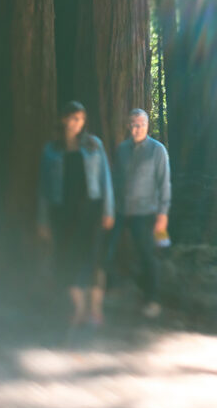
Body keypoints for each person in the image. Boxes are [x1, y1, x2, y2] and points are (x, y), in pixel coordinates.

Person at [38, 101, 115, 326]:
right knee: (67, 257)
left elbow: (105, 179)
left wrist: (108, 210)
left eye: (80, 119)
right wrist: (42, 220)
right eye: (72, 118)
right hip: (61, 212)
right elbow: (43, 188)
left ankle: (95, 310)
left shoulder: (93, 145)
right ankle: (78, 309)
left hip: (90, 211)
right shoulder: (51, 150)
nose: (76, 123)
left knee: (93, 257)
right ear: (63, 119)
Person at [112, 109, 171, 318]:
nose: (138, 129)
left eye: (142, 125)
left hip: (146, 212)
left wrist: (162, 216)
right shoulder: (121, 150)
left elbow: (164, 184)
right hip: (120, 210)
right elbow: (115, 180)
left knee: (148, 254)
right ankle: (112, 290)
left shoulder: (158, 151)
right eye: (134, 125)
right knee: (107, 249)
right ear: (129, 126)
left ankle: (152, 299)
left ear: (147, 126)